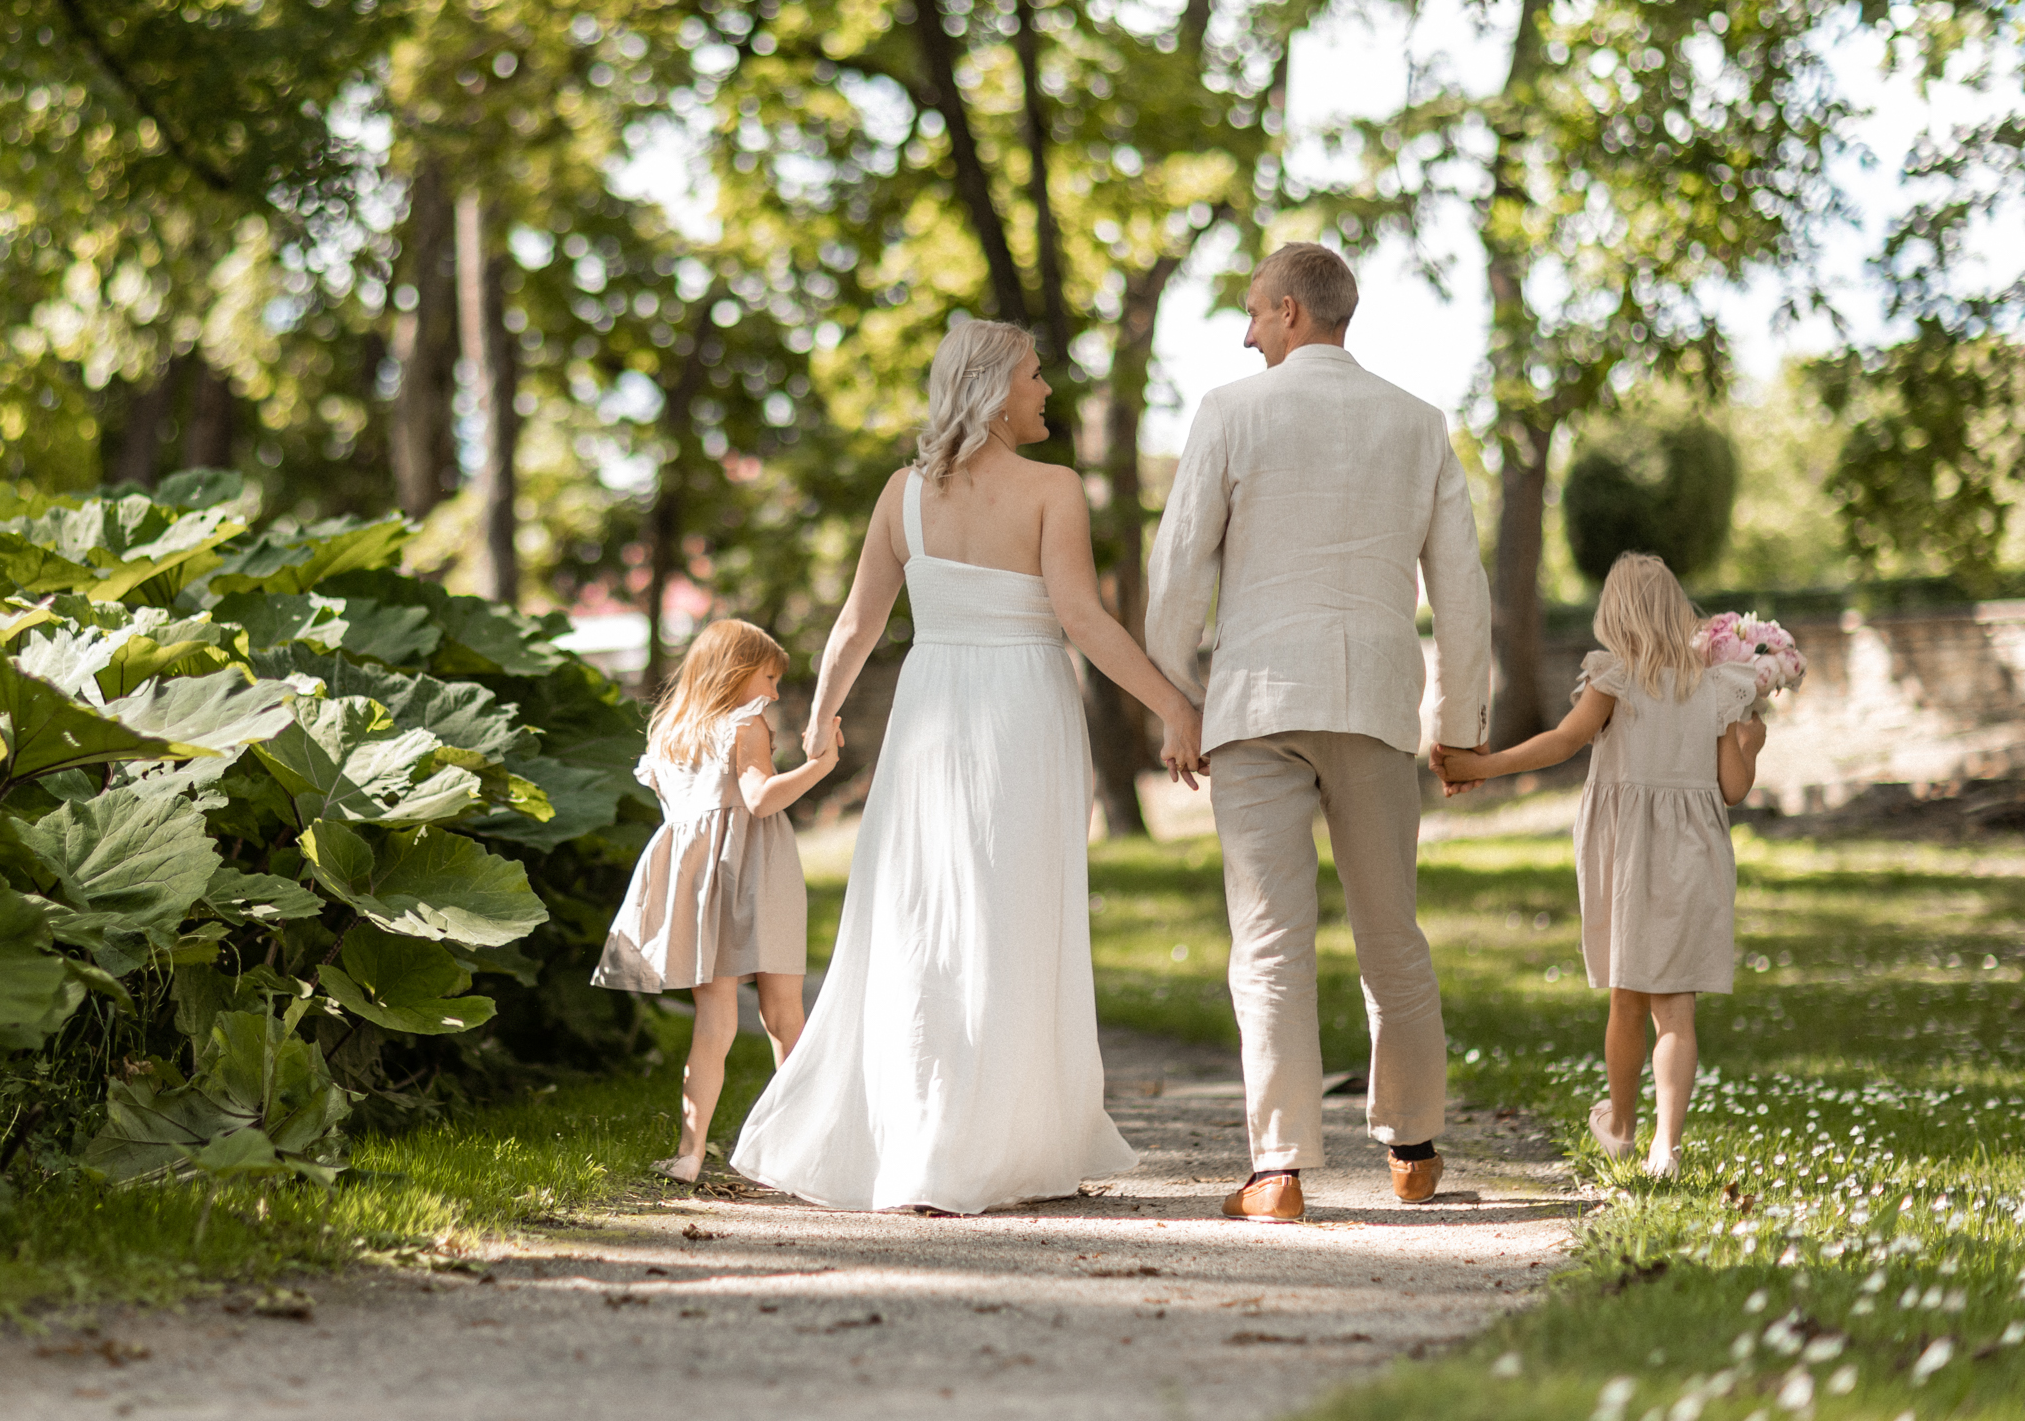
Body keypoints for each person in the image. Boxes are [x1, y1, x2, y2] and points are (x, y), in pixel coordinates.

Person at [730, 319, 1202, 1215]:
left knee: (923, 908)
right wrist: (1173, 702)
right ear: (991, 390)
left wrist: (822, 714)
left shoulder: (902, 494)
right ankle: (994, 1140)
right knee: (1012, 909)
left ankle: (921, 1139)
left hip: (933, 707)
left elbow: (854, 626)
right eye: (1034, 373)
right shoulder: (1052, 490)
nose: (1046, 390)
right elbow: (1086, 622)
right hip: (1021, 705)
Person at [1143, 241, 1492, 1224]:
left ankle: (1280, 1165)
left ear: (1292, 310)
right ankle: (1413, 1142)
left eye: (1254, 312)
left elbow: (1178, 568)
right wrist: (1457, 724)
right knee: (1391, 928)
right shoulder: (1418, 423)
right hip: (1376, 701)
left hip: (1255, 701)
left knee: (1266, 936)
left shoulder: (1229, 411)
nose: (1246, 331)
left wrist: (1173, 695)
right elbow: (1459, 592)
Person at [1433, 553, 1768, 1178]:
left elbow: (1561, 743)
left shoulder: (1612, 680)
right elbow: (1733, 788)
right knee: (1677, 1008)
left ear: (1616, 615)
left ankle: (1619, 1124)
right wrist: (1749, 743)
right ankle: (1666, 1148)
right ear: (1676, 611)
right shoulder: (1721, 689)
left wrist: (1481, 766)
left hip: (1629, 855)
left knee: (1627, 996)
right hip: (1695, 855)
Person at [593, 618, 841, 1183]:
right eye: (770, 677)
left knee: (714, 1023)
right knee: (783, 1014)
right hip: (754, 873)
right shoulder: (744, 724)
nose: (775, 692)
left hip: (699, 882)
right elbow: (758, 799)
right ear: (737, 670)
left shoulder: (670, 735)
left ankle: (688, 1153)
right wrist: (818, 768)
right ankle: (799, 1149)